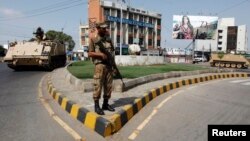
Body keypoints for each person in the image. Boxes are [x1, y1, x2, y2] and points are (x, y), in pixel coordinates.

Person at [88, 22, 115, 115]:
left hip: (109, 66)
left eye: (106, 28)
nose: (105, 30)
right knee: (98, 85)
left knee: (108, 86)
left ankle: (105, 104)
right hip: (99, 66)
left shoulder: (108, 39)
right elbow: (90, 53)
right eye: (103, 28)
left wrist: (113, 66)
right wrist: (100, 54)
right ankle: (96, 106)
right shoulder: (93, 39)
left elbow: (112, 53)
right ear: (98, 28)